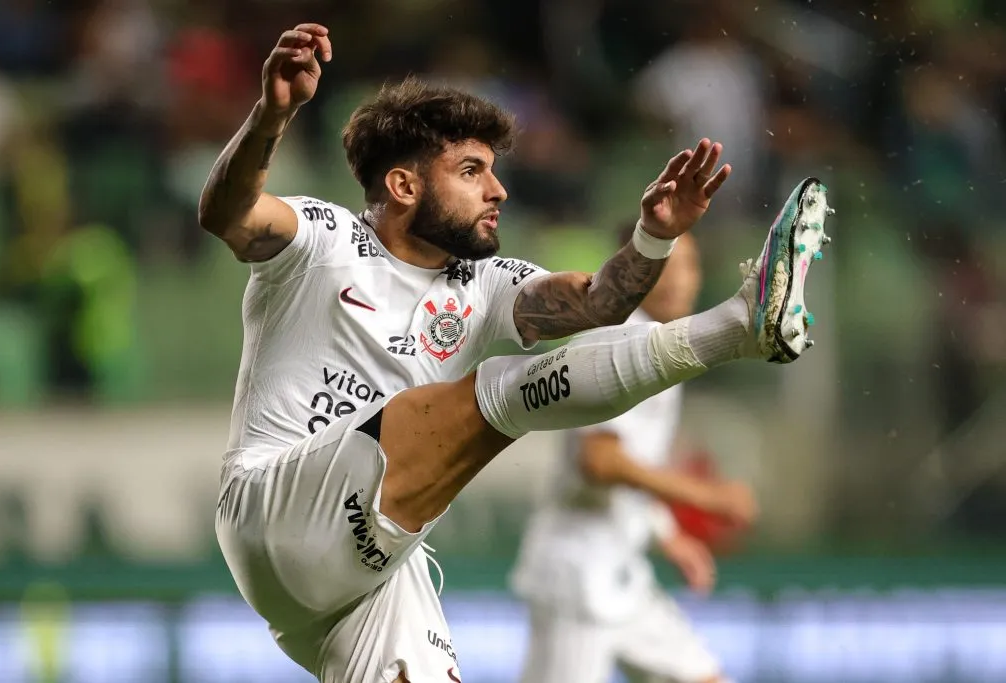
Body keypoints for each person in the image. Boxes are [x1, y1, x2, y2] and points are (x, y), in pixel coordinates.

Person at [200, 22, 833, 683]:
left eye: (494, 171)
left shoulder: (484, 284)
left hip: (367, 570)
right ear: (404, 186)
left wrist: (653, 236)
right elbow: (228, 212)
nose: (497, 190)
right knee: (499, 388)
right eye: (471, 171)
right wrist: (273, 114)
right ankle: (739, 327)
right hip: (274, 504)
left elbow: (598, 303)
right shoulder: (321, 237)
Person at [510, 231, 757, 683]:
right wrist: (706, 496)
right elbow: (600, 461)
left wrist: (666, 534)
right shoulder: (621, 340)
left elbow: (631, 463)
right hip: (578, 578)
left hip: (621, 572)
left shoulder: (660, 342)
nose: (683, 280)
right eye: (669, 266)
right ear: (639, 272)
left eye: (691, 266)